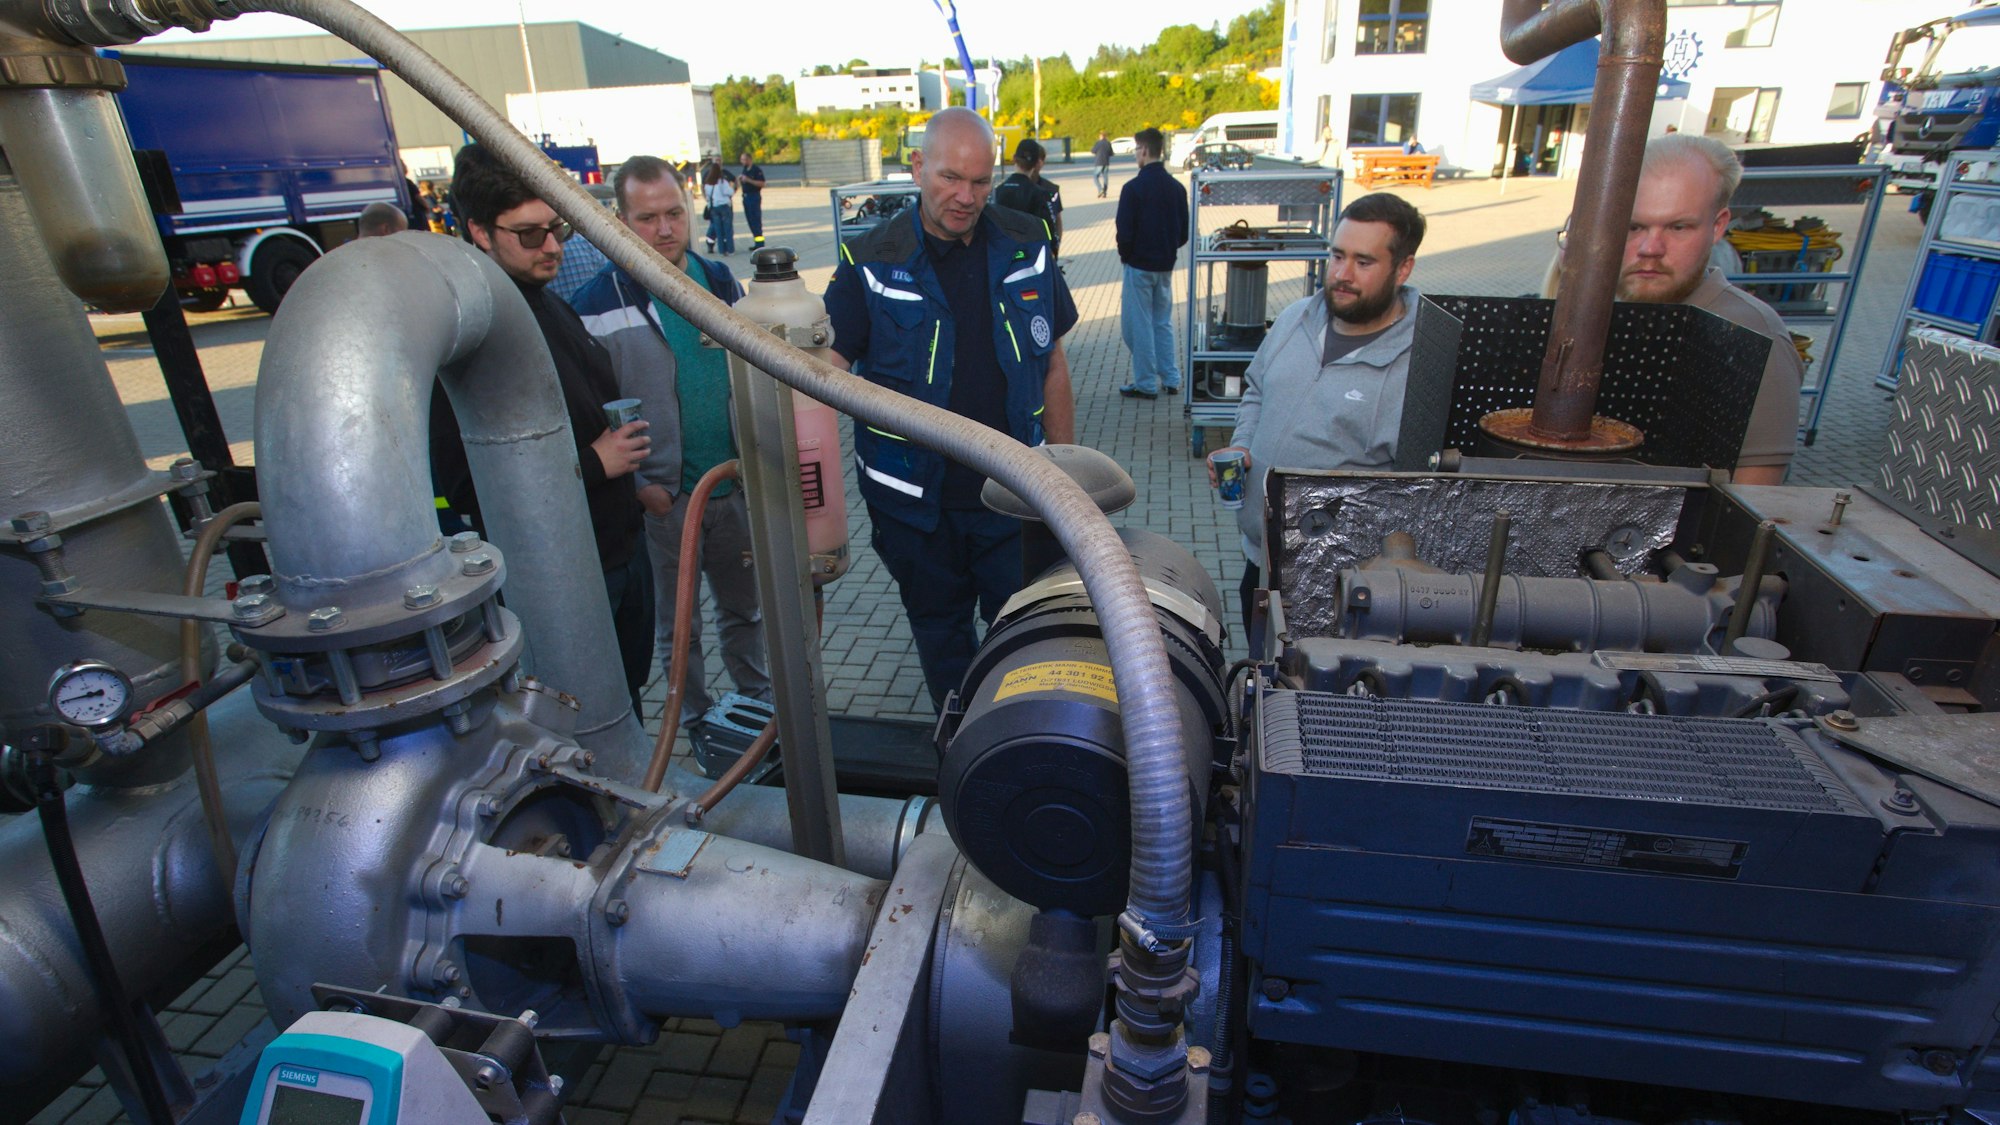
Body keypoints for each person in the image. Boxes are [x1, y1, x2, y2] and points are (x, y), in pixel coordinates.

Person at [822, 106, 1078, 709]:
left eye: (981, 180)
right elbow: (825, 370)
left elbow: (1055, 366)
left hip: (1013, 498)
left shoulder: (1026, 244)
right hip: (916, 510)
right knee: (943, 643)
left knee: (1024, 638)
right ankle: (959, 749)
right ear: (916, 168)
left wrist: (1065, 477)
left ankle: (1014, 743)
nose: (967, 197)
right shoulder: (871, 260)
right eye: (950, 178)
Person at [428, 142, 654, 714]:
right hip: (562, 581)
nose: (552, 246)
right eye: (530, 234)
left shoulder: (546, 303)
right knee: (578, 720)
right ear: (480, 232)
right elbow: (469, 488)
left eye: (558, 229)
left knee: (623, 707)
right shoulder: (464, 339)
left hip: (618, 553)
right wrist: (595, 463)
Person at [570, 156, 772, 729]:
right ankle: (695, 723)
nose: (664, 229)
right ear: (620, 219)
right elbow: (587, 417)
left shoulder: (720, 282)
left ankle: (756, 713)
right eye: (647, 218)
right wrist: (640, 489)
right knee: (679, 626)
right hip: (664, 503)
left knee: (745, 611)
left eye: (673, 214)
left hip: (732, 486)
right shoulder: (595, 304)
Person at [1209, 192, 1428, 646]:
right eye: (1337, 255)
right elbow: (1256, 389)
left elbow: (1417, 495)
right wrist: (1243, 444)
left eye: (1364, 262)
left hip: (1340, 589)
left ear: (1402, 269)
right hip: (1260, 562)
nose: (1342, 275)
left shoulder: (1421, 365)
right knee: (1258, 682)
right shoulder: (1295, 318)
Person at [1618, 133, 1802, 485]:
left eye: (1678, 227)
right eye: (1634, 226)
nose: (1650, 248)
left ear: (1718, 226)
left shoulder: (1754, 335)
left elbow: (1751, 504)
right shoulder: (1602, 315)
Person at [1115, 127, 1189, 399]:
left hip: (1139, 265)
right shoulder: (1177, 188)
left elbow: (1124, 231)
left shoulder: (1133, 189)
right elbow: (1184, 233)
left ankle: (1145, 383)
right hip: (1165, 265)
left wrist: (1127, 255)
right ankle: (1171, 378)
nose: (1136, 154)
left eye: (1136, 150)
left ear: (1144, 151)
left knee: (1140, 325)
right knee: (1162, 322)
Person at [992, 137, 1063, 258]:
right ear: (1036, 164)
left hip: (1003, 259)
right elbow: (1050, 231)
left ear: (1014, 158)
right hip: (1030, 260)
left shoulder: (997, 192)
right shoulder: (1040, 194)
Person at [702, 160, 736, 256]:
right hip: (724, 206)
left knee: (718, 230)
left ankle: (721, 251)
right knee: (728, 229)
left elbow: (707, 196)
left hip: (714, 208)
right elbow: (730, 192)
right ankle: (730, 250)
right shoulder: (722, 182)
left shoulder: (708, 183)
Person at [737, 150, 768, 248]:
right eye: (741, 160)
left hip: (754, 196)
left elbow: (762, 183)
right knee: (750, 220)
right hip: (746, 197)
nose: (743, 162)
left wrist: (748, 180)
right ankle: (756, 241)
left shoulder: (756, 170)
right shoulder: (745, 169)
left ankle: (760, 243)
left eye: (744, 159)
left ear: (749, 159)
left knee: (755, 219)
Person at [1091, 129, 1114, 198]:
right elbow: (1111, 153)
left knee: (1095, 176)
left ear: (1101, 136)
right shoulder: (1108, 143)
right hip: (1106, 162)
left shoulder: (1098, 143)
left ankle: (1100, 189)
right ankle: (1105, 192)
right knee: (1105, 177)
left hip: (1099, 162)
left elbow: (1093, 151)